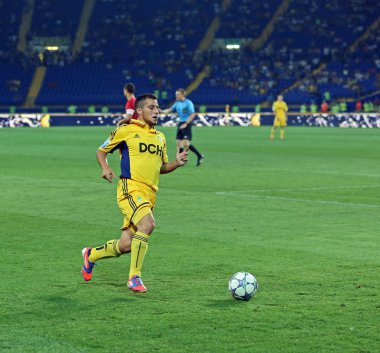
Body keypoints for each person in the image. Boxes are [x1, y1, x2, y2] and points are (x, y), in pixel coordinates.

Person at [81, 93, 188, 293]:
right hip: (130, 189)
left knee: (126, 245)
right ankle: (134, 277)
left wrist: (177, 163)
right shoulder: (126, 130)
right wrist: (105, 167)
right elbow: (101, 150)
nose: (157, 111)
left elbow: (161, 168)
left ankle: (91, 255)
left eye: (157, 108)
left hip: (149, 194)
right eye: (151, 108)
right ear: (139, 111)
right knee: (148, 225)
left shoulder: (160, 137)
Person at [161, 88, 204, 166]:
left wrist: (186, 123)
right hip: (181, 123)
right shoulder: (177, 103)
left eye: (178, 94)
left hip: (186, 123)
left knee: (186, 144)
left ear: (183, 95)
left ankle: (200, 156)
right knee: (179, 143)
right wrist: (161, 111)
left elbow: (192, 114)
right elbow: (170, 110)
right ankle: (183, 160)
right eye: (176, 94)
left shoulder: (188, 103)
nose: (176, 96)